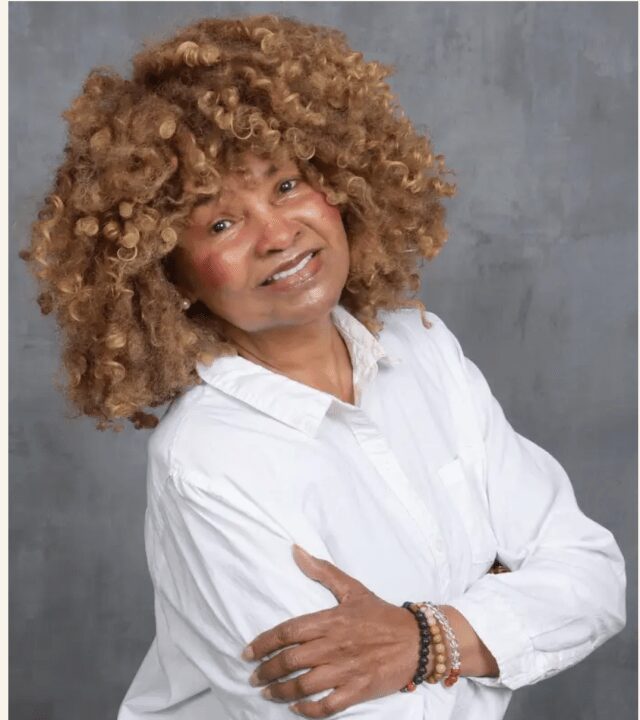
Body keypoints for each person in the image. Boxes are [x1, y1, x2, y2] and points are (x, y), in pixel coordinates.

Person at [20, 13, 626, 720]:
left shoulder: (426, 352)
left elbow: (593, 578)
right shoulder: (210, 461)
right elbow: (341, 711)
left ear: (339, 185)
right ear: (170, 276)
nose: (278, 235)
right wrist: (499, 614)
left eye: (285, 186)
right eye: (221, 223)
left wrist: (424, 642)